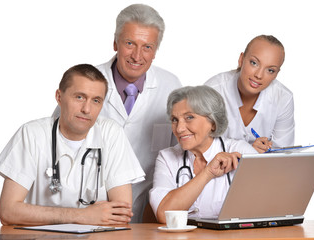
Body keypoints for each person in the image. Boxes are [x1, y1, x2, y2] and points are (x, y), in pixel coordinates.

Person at [52, 4, 182, 222]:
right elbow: (57, 138)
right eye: (129, 43)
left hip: (148, 210)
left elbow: (178, 150)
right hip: (87, 207)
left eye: (147, 47)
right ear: (115, 43)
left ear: (155, 51)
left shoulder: (171, 86)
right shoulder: (85, 83)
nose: (137, 55)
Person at [0, 64, 145, 226]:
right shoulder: (32, 134)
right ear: (59, 97)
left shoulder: (112, 134)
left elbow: (121, 215)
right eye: (79, 97)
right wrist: (81, 216)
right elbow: (8, 211)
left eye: (96, 100)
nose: (87, 109)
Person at [149, 86, 257, 223]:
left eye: (189, 117)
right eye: (175, 119)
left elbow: (270, 202)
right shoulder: (167, 158)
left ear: (212, 122)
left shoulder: (241, 151)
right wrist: (207, 173)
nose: (179, 128)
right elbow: (164, 215)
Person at [205, 35, 294, 153]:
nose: (259, 75)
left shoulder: (283, 98)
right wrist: (247, 151)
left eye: (270, 70)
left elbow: (284, 154)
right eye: (254, 63)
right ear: (241, 59)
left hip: (260, 170)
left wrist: (265, 152)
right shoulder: (213, 91)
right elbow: (200, 147)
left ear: (276, 73)